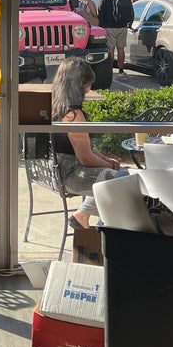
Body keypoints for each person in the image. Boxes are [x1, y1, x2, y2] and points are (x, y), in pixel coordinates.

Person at [50, 57, 120, 230]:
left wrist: (104, 158)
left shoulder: (56, 105)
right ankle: (96, 223)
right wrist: (109, 164)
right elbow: (85, 158)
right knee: (121, 182)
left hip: (59, 170)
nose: (89, 90)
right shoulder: (73, 114)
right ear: (79, 84)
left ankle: (85, 217)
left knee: (116, 177)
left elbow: (83, 147)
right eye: (87, 85)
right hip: (70, 175)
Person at [97, 0, 133, 75]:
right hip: (122, 26)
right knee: (121, 48)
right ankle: (121, 69)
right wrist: (129, 24)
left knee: (110, 48)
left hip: (109, 26)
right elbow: (131, 10)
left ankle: (110, 70)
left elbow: (100, 12)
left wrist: (100, 26)